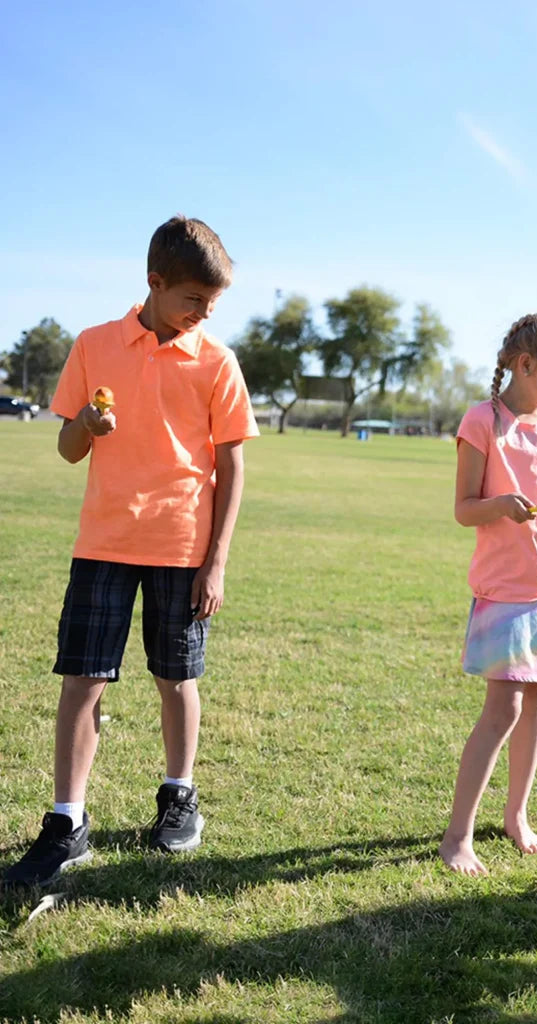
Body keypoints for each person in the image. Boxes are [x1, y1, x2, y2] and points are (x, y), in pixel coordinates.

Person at [3, 216, 259, 887]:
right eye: (193, 301)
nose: (204, 314)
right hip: (105, 541)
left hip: (182, 545)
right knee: (83, 680)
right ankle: (67, 821)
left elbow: (231, 468)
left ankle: (179, 796)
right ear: (154, 283)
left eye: (213, 304)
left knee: (177, 677)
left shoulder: (217, 361)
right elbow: (67, 447)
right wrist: (86, 422)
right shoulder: (93, 346)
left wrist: (219, 559)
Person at [439, 312, 537, 877]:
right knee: (502, 707)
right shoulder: (483, 421)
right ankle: (457, 836)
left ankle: (517, 815)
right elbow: (463, 509)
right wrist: (501, 506)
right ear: (525, 364)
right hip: (507, 594)